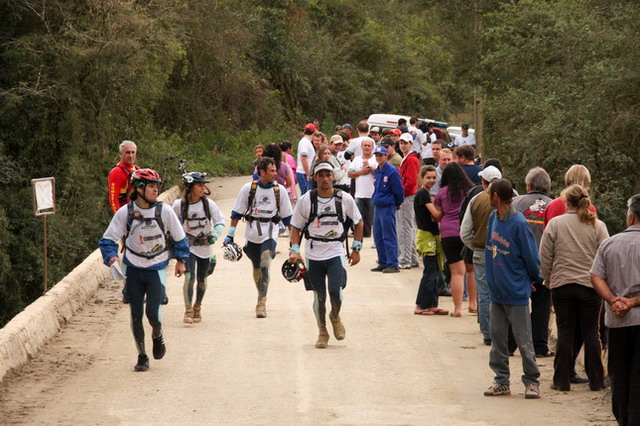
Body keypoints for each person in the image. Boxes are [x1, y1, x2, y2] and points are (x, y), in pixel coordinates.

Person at [99, 169, 189, 372]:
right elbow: (107, 240)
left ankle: (157, 335)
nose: (156, 189)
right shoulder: (126, 213)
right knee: (136, 314)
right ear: (139, 189)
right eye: (151, 186)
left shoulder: (164, 211)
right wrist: (111, 256)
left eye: (157, 185)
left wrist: (182, 260)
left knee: (153, 314)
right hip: (133, 268)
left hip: (156, 268)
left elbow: (180, 237)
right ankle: (142, 355)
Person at [539, 184, 608, 392]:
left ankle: (561, 380)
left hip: (562, 285)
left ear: (565, 202)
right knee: (591, 332)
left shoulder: (555, 224)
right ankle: (596, 380)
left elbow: (545, 257)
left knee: (565, 331)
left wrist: (550, 280)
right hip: (590, 286)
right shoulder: (598, 225)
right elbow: (606, 256)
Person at [290, 161, 364, 348]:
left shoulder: (344, 198)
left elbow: (359, 222)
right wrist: (295, 251)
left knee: (335, 292)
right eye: (321, 175)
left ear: (333, 176)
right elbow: (296, 227)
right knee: (319, 297)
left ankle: (335, 316)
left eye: (328, 175)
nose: (325, 179)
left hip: (336, 251)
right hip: (314, 253)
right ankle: (322, 331)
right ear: (315, 178)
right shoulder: (306, 200)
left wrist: (356, 248)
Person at [483, 178, 542, 399]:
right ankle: (501, 381)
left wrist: (533, 279)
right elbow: (491, 249)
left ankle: (532, 380)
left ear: (496, 197)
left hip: (516, 291)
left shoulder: (519, 223)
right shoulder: (493, 218)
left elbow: (531, 256)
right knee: (497, 338)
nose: (487, 197)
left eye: (489, 193)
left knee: (523, 338)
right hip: (497, 291)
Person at [591, 194, 640, 426]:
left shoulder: (609, 243)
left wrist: (613, 300)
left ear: (630, 216)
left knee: (619, 373)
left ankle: (622, 418)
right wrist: (632, 302)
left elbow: (596, 276)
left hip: (616, 321)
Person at [224, 157, 293, 318]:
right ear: (261, 172)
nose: (276, 173)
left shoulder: (280, 190)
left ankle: (261, 302)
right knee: (257, 267)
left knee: (265, 260)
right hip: (252, 232)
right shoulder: (248, 189)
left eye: (276, 170)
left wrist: (293, 243)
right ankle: (261, 292)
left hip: (271, 231)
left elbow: (288, 218)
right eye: (272, 171)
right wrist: (230, 235)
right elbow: (236, 213)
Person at [511, 167, 555, 357]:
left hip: (519, 263)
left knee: (516, 305)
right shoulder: (555, 205)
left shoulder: (516, 203)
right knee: (542, 306)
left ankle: (507, 343)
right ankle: (539, 345)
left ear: (528, 185)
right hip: (544, 263)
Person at [172, 172, 225, 324]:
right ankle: (188, 310)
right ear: (190, 187)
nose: (203, 188)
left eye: (203, 185)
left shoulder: (208, 205)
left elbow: (220, 221)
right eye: (199, 185)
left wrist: (215, 234)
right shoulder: (178, 206)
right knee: (190, 277)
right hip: (188, 247)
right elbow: (172, 225)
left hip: (205, 247)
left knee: (202, 279)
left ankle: (197, 307)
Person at [460, 165, 502, 343]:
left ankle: (487, 333)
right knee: (502, 292)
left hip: (480, 251)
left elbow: (465, 232)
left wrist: (476, 245)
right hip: (503, 253)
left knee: (484, 293)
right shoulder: (512, 197)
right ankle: (502, 332)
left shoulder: (476, 200)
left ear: (483, 182)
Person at [434, 162, 473, 317]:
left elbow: (438, 214)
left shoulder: (442, 193)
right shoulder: (469, 191)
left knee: (456, 273)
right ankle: (473, 304)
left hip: (448, 233)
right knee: (471, 270)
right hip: (466, 232)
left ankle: (457, 309)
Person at [414, 166, 448, 315]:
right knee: (429, 272)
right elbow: (436, 215)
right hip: (426, 237)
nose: (432, 180)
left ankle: (432, 304)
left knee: (434, 272)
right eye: (428, 178)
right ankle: (420, 305)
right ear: (422, 178)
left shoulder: (426, 194)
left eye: (434, 178)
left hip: (432, 235)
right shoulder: (422, 194)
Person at [370, 146, 404, 273]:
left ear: (386, 156)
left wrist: (397, 203)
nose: (378, 157)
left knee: (389, 235)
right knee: (378, 236)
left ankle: (393, 263)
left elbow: (398, 190)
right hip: (378, 205)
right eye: (377, 155)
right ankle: (383, 261)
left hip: (387, 206)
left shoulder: (391, 171)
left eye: (381, 155)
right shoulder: (378, 171)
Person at [397, 133, 421, 269]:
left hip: (407, 196)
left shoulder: (411, 159)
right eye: (401, 143)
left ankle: (405, 259)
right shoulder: (407, 158)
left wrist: (400, 195)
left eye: (405, 143)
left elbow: (411, 182)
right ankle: (412, 258)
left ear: (411, 144)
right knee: (407, 227)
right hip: (406, 195)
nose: (403, 145)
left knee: (405, 228)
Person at [347, 139, 376, 238]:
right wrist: (360, 172)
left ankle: (370, 236)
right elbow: (349, 174)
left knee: (372, 218)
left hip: (372, 194)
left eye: (369, 146)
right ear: (361, 147)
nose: (367, 147)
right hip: (359, 194)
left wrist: (371, 169)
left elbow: (381, 174)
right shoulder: (356, 159)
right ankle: (357, 235)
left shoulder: (376, 159)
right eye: (365, 145)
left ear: (372, 147)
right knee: (357, 217)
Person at [108, 140, 140, 214]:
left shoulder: (138, 169)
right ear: (120, 154)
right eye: (127, 152)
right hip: (124, 213)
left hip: (137, 213)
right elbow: (113, 199)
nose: (131, 155)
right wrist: (119, 217)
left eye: (133, 152)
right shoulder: (116, 172)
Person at [296, 123, 316, 195]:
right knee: (306, 195)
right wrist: (308, 174)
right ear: (314, 132)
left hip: (305, 172)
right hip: (304, 173)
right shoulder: (305, 142)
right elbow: (303, 158)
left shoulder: (306, 142)